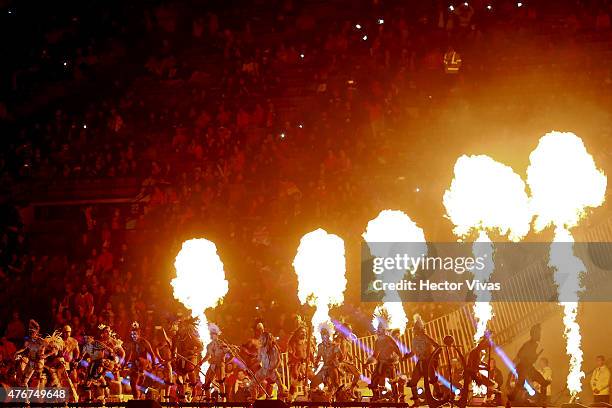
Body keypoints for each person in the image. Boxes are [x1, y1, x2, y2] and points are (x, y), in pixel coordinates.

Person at [508, 324, 549, 407]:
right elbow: (520, 357)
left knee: (543, 383)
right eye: (538, 333)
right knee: (520, 385)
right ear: (534, 334)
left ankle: (543, 403)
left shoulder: (534, 345)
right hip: (523, 368)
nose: (540, 335)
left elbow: (529, 359)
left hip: (528, 368)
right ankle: (510, 400)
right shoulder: (528, 344)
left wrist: (534, 357)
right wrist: (513, 370)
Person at [406, 314, 438, 405]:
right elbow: (413, 352)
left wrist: (433, 357)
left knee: (433, 381)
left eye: (417, 328)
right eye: (415, 328)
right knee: (413, 382)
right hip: (420, 362)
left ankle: (438, 399)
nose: (416, 330)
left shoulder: (426, 337)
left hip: (428, 362)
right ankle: (416, 401)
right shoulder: (414, 340)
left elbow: (437, 346)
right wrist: (406, 356)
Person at [124, 321, 158, 400]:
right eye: (132, 334)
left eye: (135, 334)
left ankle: (141, 374)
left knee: (138, 360)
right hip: (135, 365)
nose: (133, 336)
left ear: (139, 333)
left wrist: (154, 364)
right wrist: (123, 364)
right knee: (133, 383)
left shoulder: (144, 342)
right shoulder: (131, 343)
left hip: (144, 363)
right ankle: (136, 398)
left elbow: (152, 354)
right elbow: (128, 356)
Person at [310, 326, 341, 396]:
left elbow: (341, 357)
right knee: (313, 383)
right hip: (325, 368)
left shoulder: (334, 345)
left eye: (325, 334)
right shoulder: (320, 346)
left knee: (335, 383)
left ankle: (338, 397)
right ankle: (318, 398)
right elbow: (318, 357)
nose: (323, 336)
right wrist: (315, 364)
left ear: (328, 335)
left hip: (333, 367)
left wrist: (335, 361)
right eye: (322, 334)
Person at [256, 330, 287, 399]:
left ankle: (279, 399)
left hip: (272, 370)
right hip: (264, 370)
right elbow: (258, 360)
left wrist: (274, 369)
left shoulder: (274, 349)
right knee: (253, 384)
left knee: (280, 385)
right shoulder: (261, 349)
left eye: (263, 338)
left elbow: (279, 360)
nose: (261, 340)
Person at [202, 323, 229, 401]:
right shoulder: (209, 345)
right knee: (206, 383)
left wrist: (225, 362)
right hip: (212, 365)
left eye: (213, 334)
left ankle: (223, 401)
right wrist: (201, 362)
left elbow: (231, 354)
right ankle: (208, 400)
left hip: (220, 365)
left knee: (221, 381)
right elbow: (207, 356)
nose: (212, 336)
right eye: (211, 334)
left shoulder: (222, 344)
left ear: (217, 335)